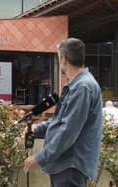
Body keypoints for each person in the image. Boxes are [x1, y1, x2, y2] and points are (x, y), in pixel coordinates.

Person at [23, 38, 103, 187]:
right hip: (66, 165)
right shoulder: (77, 85)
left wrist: (40, 158)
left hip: (71, 166)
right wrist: (37, 129)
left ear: (64, 59)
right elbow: (60, 120)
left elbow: (68, 131)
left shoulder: (82, 87)